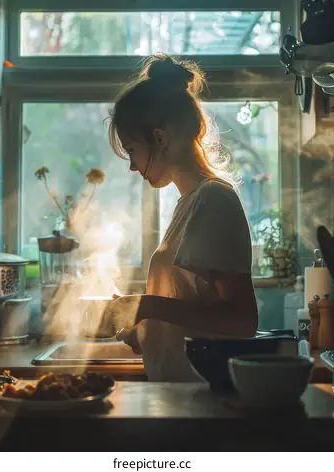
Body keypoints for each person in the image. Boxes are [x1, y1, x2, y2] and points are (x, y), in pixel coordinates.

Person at [103, 53, 259, 382]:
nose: (132, 165)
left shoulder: (213, 199)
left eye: (132, 149)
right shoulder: (189, 202)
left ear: (160, 139)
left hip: (204, 399)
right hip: (179, 394)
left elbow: (242, 320)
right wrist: (146, 331)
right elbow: (193, 311)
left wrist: (145, 306)